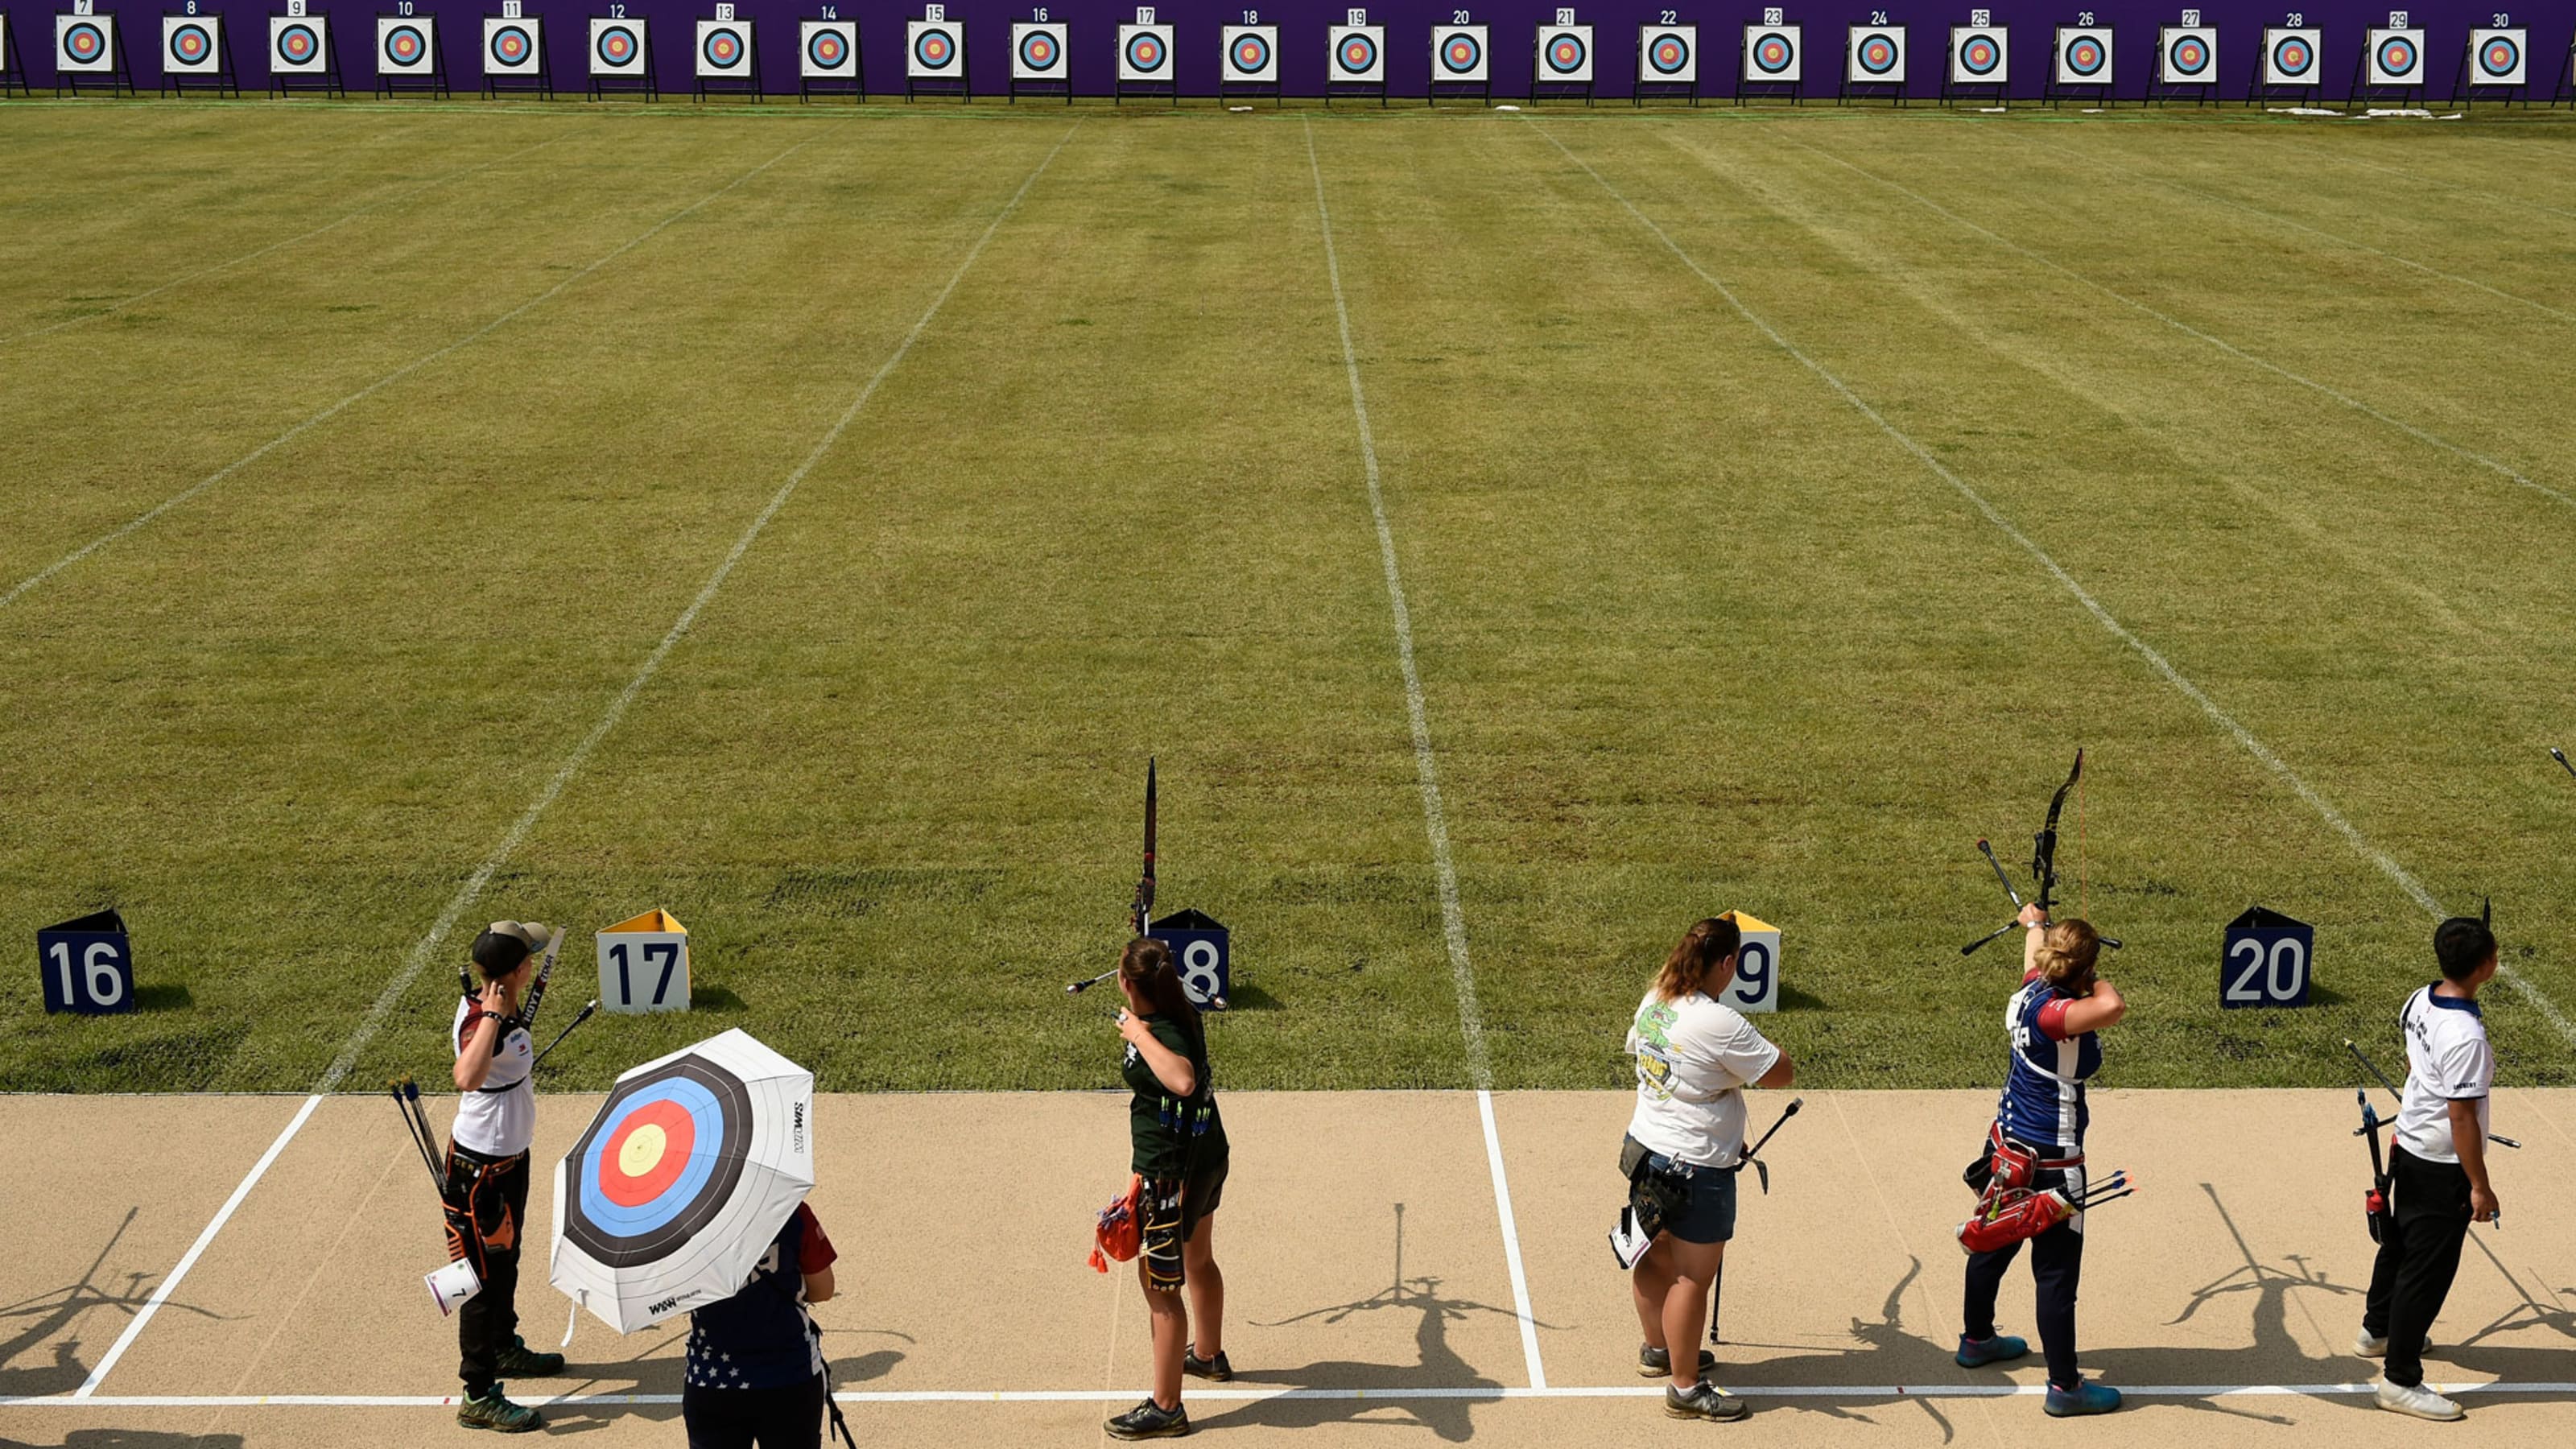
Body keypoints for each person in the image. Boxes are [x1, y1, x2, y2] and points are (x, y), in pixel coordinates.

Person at [1622, 917, 1794, 1423]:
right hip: (1696, 1169)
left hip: (1643, 1153)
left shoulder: (1656, 996)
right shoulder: (1719, 1022)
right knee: (1692, 1279)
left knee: (1650, 1256)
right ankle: (1685, 1388)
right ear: (1726, 964)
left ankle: (1659, 1349)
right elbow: (1779, 1073)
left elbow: (1658, 1063)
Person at [1956, 904, 2126, 1417]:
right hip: (2054, 1164)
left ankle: (1978, 1339)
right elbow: (2114, 1006)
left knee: (1996, 1240)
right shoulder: (2060, 1014)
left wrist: (2035, 924)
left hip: (2009, 1149)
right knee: (2055, 1277)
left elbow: (2036, 954)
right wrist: (2094, 976)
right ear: (2081, 971)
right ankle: (2065, 1388)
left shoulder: (2031, 989)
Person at [2359, 917, 2501, 1422]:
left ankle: (2377, 1329)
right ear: (2487, 965)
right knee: (2427, 1269)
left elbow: (2413, 1062)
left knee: (2399, 1244)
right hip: (2442, 1163)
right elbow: (2462, 1118)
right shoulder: (2466, 1037)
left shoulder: (2421, 998)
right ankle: (2400, 1380)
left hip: (2410, 1146)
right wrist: (2480, 1187)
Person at [1104, 937, 1229, 1441]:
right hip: (1204, 1159)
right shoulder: (1180, 1012)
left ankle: (1167, 1407)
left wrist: (1136, 1031)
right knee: (1199, 1259)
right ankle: (1208, 1355)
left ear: (1127, 984)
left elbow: (1180, 1080)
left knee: (1160, 1289)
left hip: (1172, 1174)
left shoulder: (1159, 1029)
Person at [447, 921, 565, 1434]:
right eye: (530, 960)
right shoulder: (483, 1017)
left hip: (511, 1160)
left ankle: (502, 1347)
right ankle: (477, 1392)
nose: (535, 965)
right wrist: (496, 1017)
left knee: (507, 1261)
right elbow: (466, 1077)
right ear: (518, 971)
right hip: (480, 1175)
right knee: (478, 1281)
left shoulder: (502, 1002)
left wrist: (506, 1011)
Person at [683, 1201, 843, 1448]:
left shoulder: (678, 1230)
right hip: (790, 1374)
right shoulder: (790, 1209)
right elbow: (823, 1289)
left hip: (711, 1380)